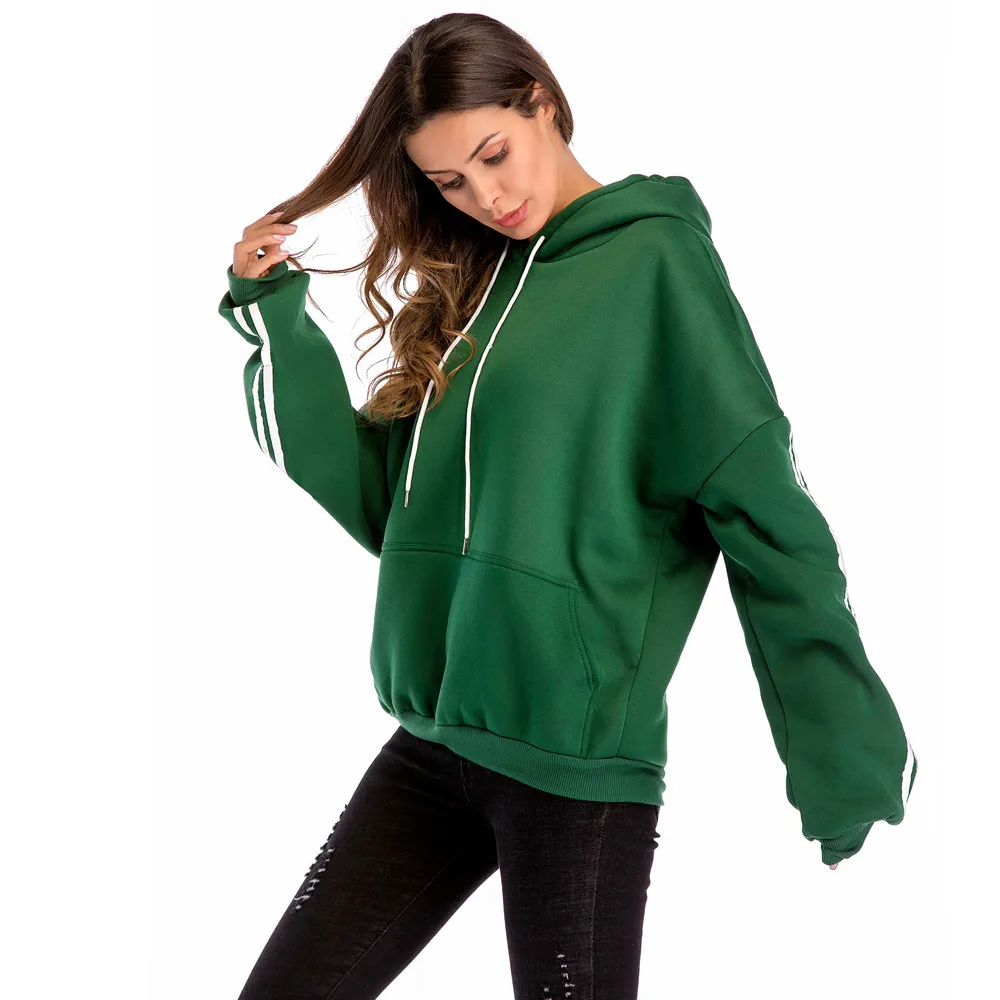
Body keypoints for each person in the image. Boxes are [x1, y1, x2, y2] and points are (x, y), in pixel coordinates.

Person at [216, 12, 918, 1000]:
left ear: (540, 102)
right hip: (433, 746)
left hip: (572, 776)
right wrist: (275, 319)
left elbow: (765, 512)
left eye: (492, 155)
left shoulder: (655, 265)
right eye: (449, 182)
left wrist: (842, 756)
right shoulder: (478, 280)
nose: (486, 197)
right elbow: (388, 509)